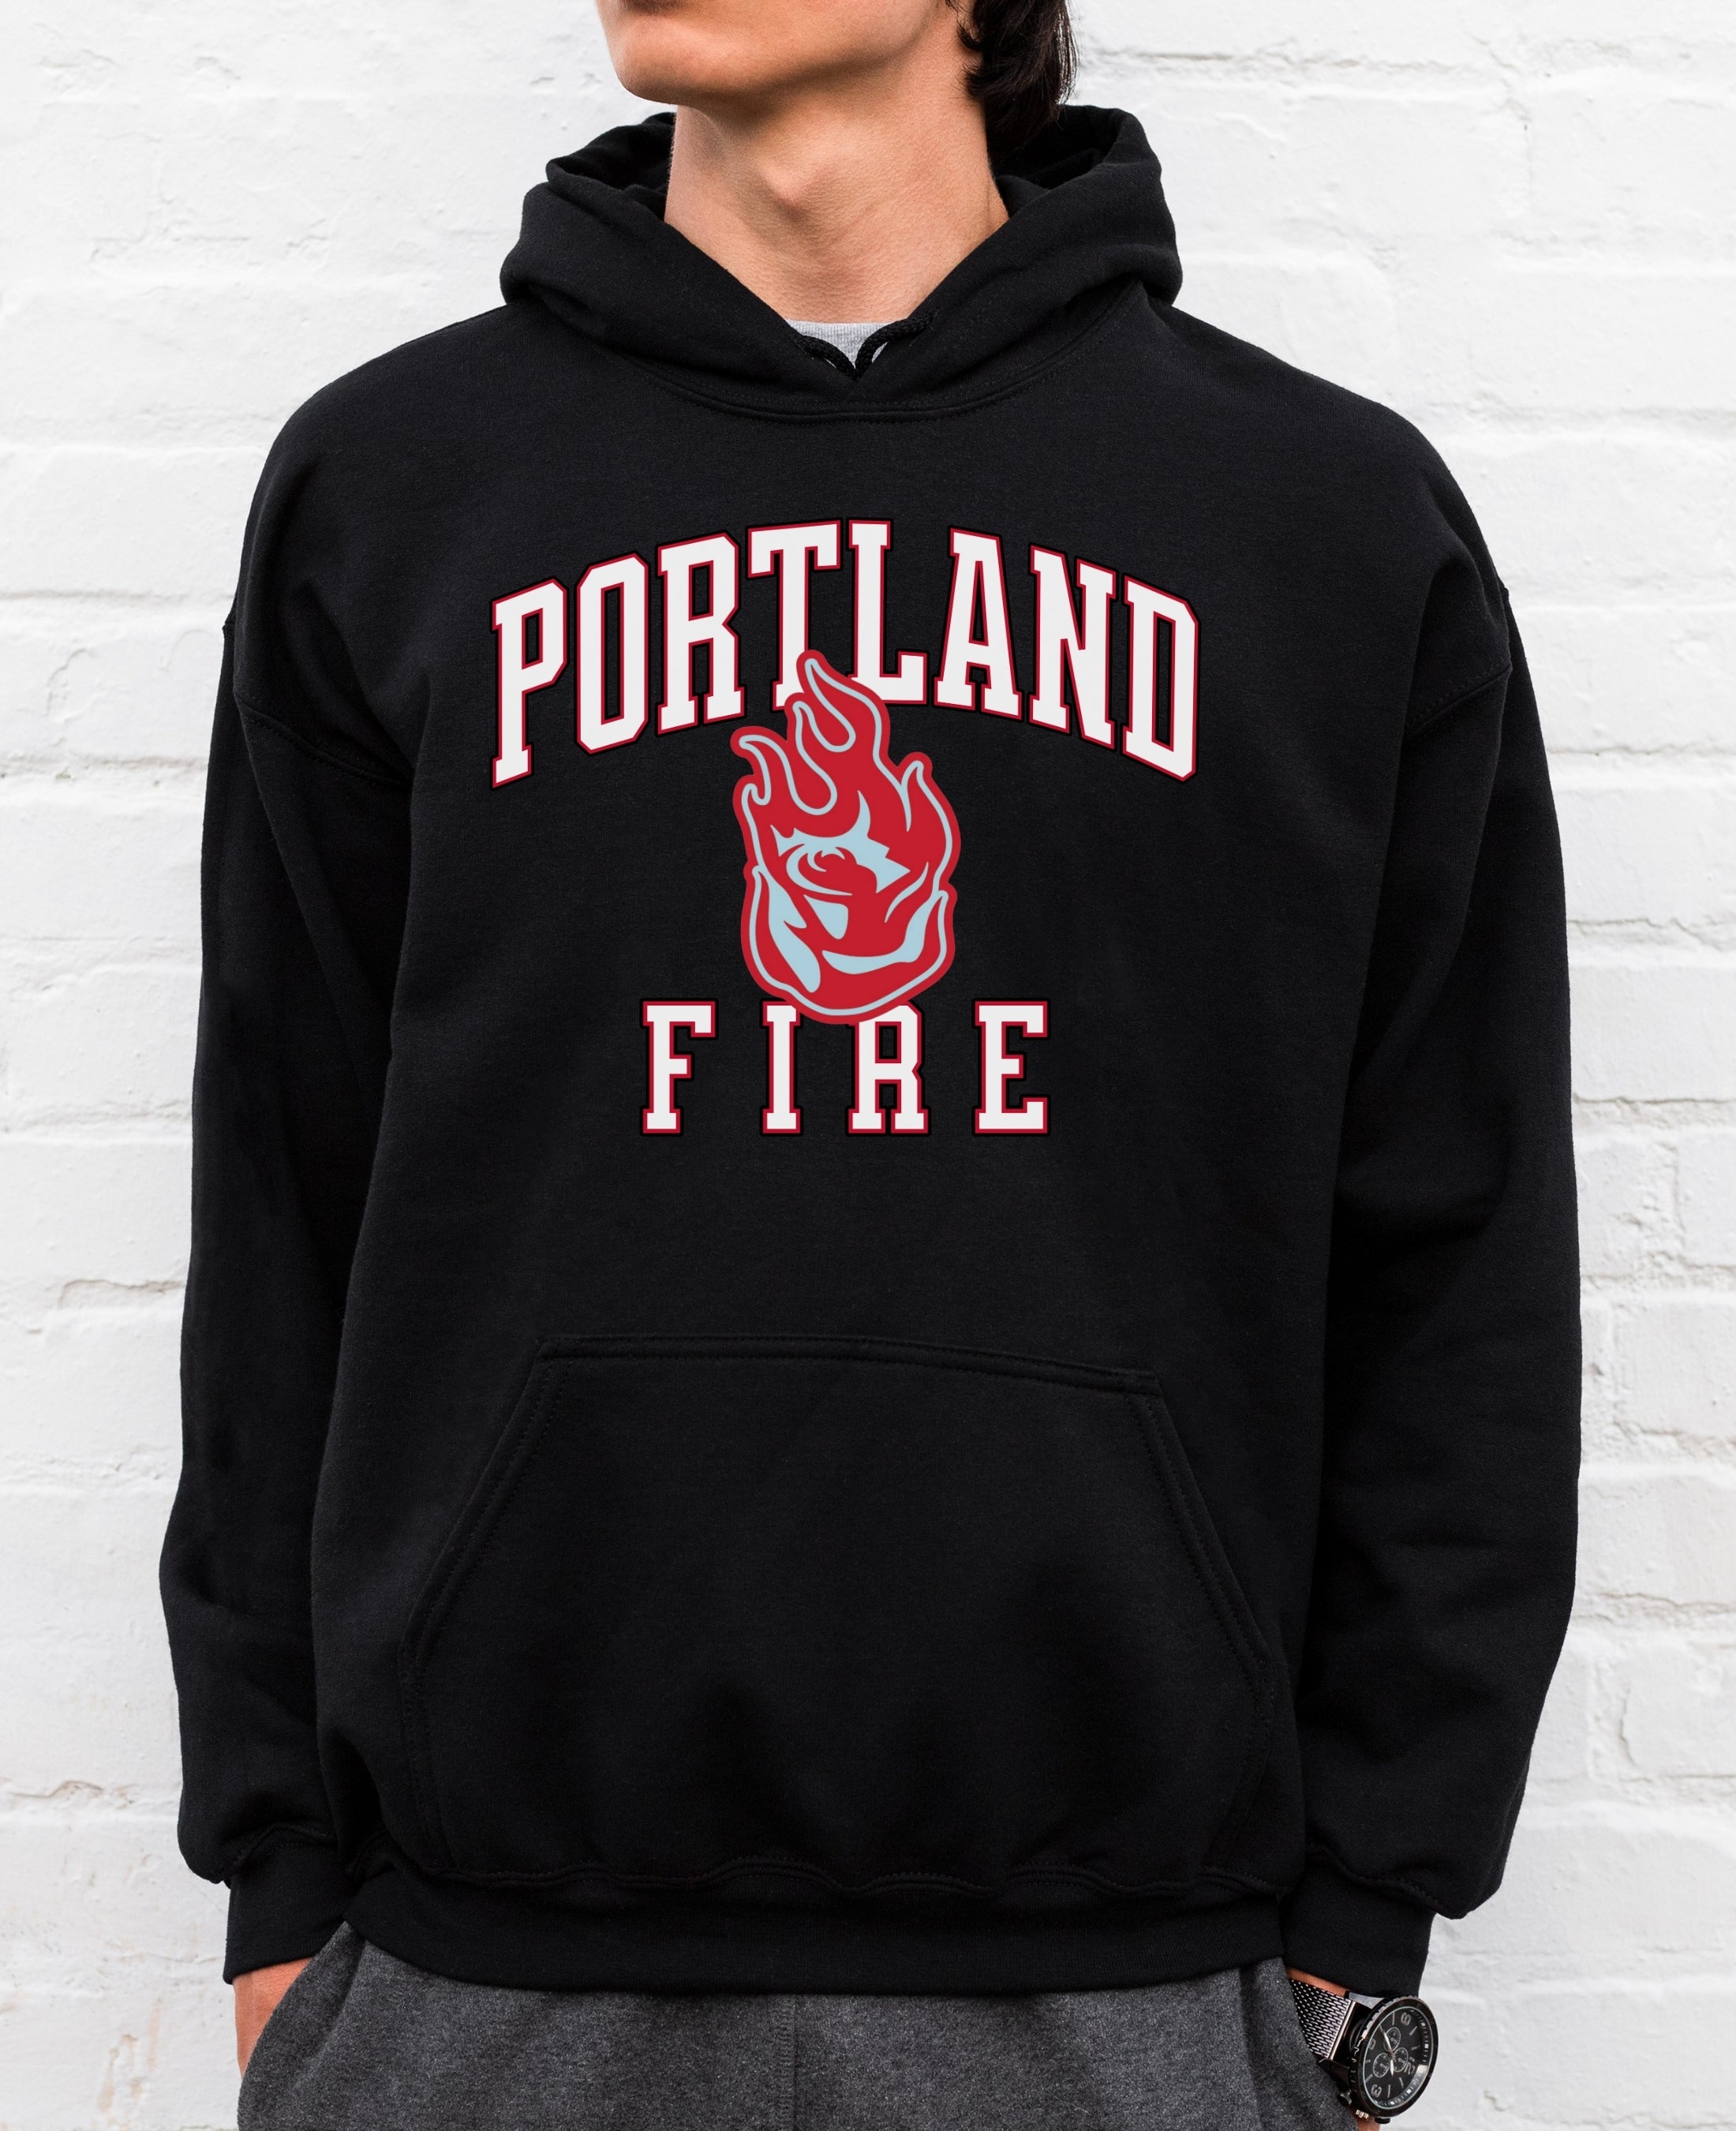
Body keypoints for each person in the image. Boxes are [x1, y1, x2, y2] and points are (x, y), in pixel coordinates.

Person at [160, 0, 1581, 2124]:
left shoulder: (1321, 529)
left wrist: (1365, 1917)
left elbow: (1458, 1257)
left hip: (1137, 1986)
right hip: (478, 1979)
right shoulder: (398, 490)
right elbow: (284, 1208)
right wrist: (282, 1888)